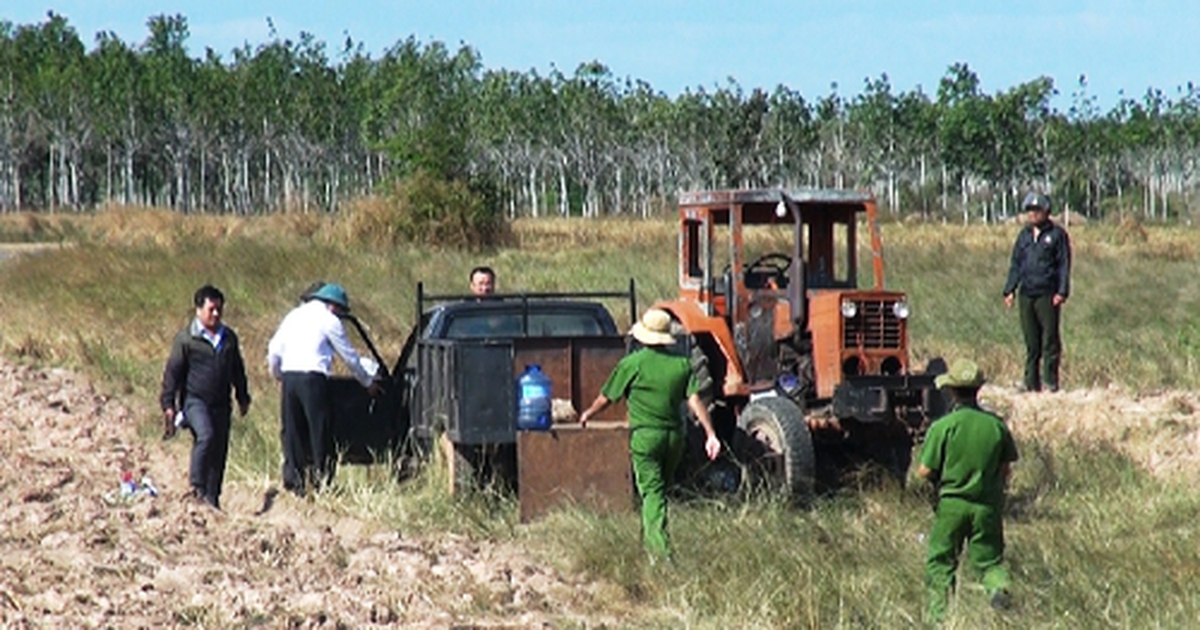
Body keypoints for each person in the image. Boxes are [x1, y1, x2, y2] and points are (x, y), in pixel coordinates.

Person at [578, 308, 721, 561]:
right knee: (659, 492)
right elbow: (695, 401)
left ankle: (661, 555)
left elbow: (607, 397)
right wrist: (711, 434)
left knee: (652, 493)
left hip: (646, 438)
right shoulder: (681, 364)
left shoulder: (632, 363)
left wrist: (588, 414)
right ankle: (649, 545)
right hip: (674, 438)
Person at [917, 358, 1019, 622]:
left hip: (951, 505)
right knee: (990, 562)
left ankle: (939, 620)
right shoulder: (996, 426)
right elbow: (1006, 470)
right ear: (977, 390)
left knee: (941, 564)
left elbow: (924, 471)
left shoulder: (943, 427)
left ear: (951, 391)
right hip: (986, 506)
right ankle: (998, 588)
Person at [267, 282, 381, 496]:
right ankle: (322, 482)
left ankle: (294, 483)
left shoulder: (293, 316)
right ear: (333, 306)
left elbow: (274, 349)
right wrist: (367, 382)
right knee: (319, 430)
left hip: (290, 377)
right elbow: (350, 357)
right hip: (313, 378)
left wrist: (278, 375)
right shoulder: (330, 321)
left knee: (292, 431)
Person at [160, 284, 252, 509]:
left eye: (219, 309)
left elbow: (236, 369)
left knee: (219, 450)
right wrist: (168, 404)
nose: (216, 314)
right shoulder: (186, 340)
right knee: (206, 436)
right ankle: (196, 488)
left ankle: (212, 499)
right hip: (195, 401)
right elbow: (173, 372)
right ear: (198, 310)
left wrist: (242, 395)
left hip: (221, 403)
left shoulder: (228, 338)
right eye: (211, 309)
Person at [1003, 191, 1072, 392]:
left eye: (1036, 210)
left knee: (1050, 340)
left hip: (1047, 294)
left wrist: (1062, 291)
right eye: (1029, 210)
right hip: (1027, 293)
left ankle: (1050, 381)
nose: (1032, 214)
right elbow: (1016, 264)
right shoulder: (1024, 236)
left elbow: (1064, 265)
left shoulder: (1057, 235)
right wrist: (1009, 290)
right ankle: (1030, 383)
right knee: (1031, 342)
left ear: (1046, 212)